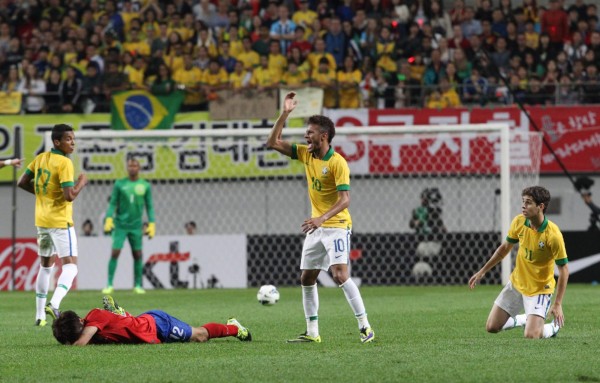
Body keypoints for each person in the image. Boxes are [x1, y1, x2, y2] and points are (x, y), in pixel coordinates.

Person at [266, 92, 374, 344]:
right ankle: (312, 333)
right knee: (307, 277)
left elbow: (345, 199)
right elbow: (272, 142)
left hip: (336, 226)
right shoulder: (306, 154)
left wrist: (321, 219)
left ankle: (365, 326)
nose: (306, 136)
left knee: (339, 274)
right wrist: (285, 113)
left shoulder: (338, 163)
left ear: (323, 136)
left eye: (310, 132)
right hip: (316, 228)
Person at [469, 186, 569, 339]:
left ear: (540, 207)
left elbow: (564, 270)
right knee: (492, 327)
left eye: (528, 202)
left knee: (531, 335)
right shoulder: (519, 222)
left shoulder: (553, 235)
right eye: (523, 201)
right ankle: (526, 319)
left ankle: (552, 328)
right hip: (517, 283)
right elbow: (504, 249)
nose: (524, 205)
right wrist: (482, 271)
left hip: (539, 289)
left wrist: (558, 303)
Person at [17, 124, 88, 327]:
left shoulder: (40, 159)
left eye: (73, 138)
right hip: (59, 221)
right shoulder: (64, 163)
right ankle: (54, 304)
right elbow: (69, 195)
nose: (72, 142)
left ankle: (39, 316)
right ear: (57, 142)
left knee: (45, 267)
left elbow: (22, 182)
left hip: (41, 220)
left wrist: (44, 196)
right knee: (71, 267)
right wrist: (82, 182)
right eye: (68, 139)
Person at [52, 296, 251, 345]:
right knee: (126, 324)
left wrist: (70, 341)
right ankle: (121, 313)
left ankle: (233, 328)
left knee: (200, 336)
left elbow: (81, 343)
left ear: (81, 320)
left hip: (159, 325)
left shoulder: (94, 317)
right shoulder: (89, 328)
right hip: (144, 325)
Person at [102, 158, 155, 294]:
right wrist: (109, 218)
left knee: (137, 254)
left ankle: (137, 285)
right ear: (127, 168)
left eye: (135, 165)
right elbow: (113, 203)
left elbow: (149, 206)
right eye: (130, 165)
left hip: (136, 226)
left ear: (139, 168)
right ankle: (109, 284)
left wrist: (152, 223)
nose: (132, 168)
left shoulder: (145, 185)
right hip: (120, 225)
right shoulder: (120, 184)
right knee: (115, 252)